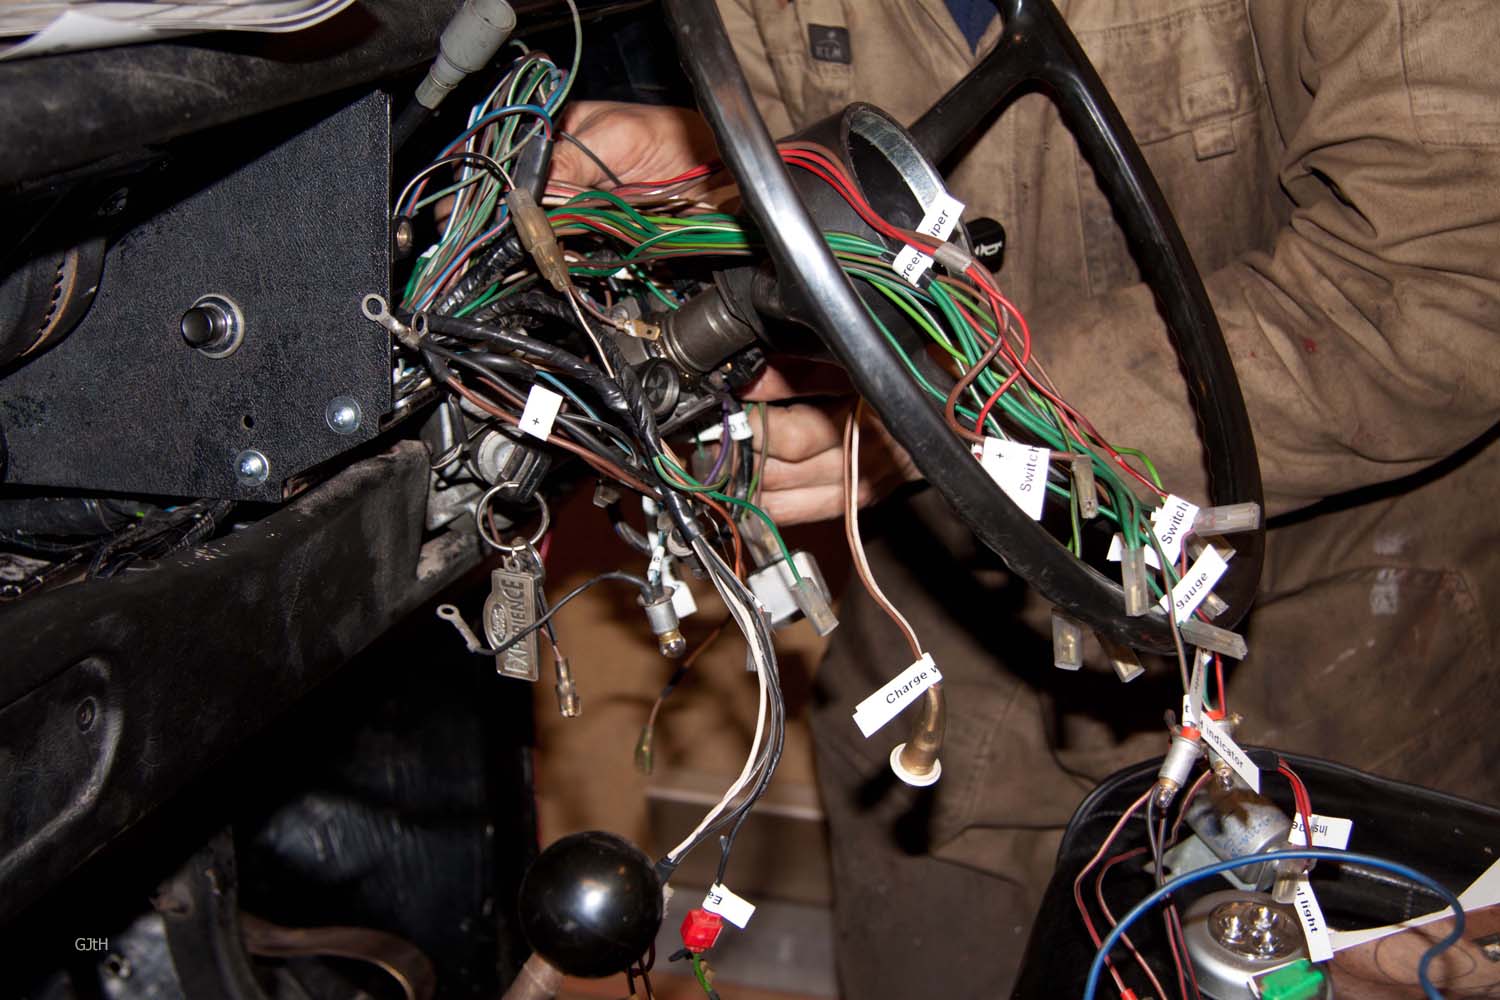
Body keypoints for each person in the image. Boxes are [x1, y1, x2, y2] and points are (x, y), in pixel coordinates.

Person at [551, 1, 1500, 995]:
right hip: (948, 702)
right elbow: (829, 207)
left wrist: (964, 411)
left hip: (1329, 689)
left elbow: (1442, 279)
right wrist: (705, 178)